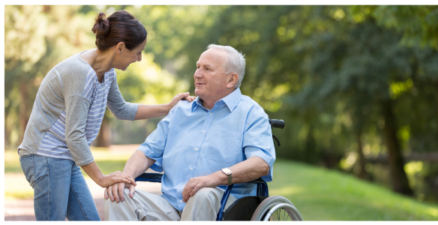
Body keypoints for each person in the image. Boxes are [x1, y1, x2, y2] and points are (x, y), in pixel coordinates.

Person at [17, 10, 195, 221]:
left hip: (67, 157)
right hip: (45, 155)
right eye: (138, 52)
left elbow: (121, 109)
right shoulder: (80, 73)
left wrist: (168, 107)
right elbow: (74, 135)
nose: (139, 58)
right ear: (120, 47)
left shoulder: (107, 71)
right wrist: (101, 178)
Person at [103, 44, 276, 221]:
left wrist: (214, 179)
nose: (197, 74)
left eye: (207, 69)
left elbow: (261, 162)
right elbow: (147, 151)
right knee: (117, 196)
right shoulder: (181, 111)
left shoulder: (251, 113)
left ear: (231, 80)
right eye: (198, 67)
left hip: (224, 208)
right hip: (171, 206)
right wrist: (126, 177)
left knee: (203, 193)